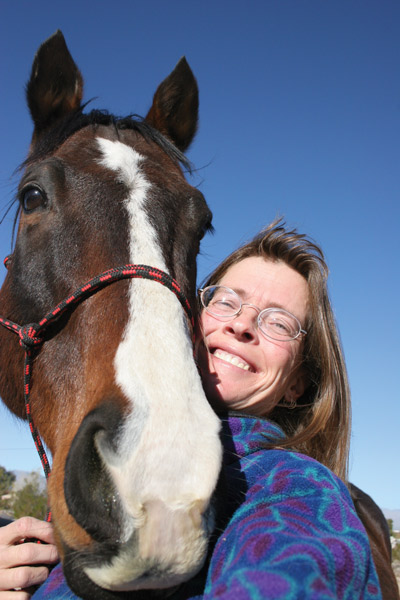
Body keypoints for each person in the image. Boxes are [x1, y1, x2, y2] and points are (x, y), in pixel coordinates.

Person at [0, 221, 382, 599]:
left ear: (297, 384)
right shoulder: (121, 457)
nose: (242, 324)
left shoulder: (298, 491)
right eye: (226, 301)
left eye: (279, 323)